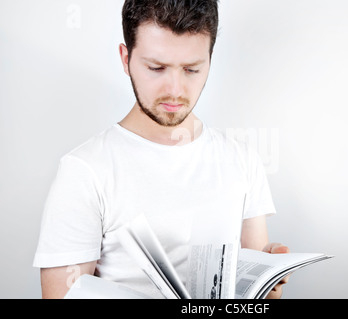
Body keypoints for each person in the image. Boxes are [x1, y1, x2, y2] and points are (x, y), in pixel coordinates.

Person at [33, 0, 289, 299]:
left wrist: (269, 283)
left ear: (209, 60)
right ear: (125, 59)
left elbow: (257, 297)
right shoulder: (84, 170)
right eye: (156, 68)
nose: (175, 90)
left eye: (192, 69)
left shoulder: (242, 159)